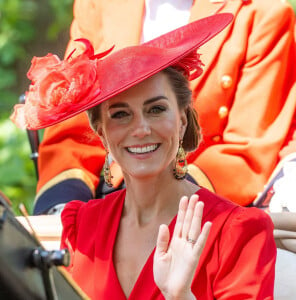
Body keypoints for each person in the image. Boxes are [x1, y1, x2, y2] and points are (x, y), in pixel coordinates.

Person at [11, 16, 276, 299]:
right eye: (121, 115)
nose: (141, 129)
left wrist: (181, 295)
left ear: (183, 120)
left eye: (156, 109)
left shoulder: (240, 232)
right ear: (102, 133)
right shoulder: (82, 226)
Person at [32, 0, 296, 215]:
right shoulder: (99, 5)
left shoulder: (261, 11)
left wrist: (174, 202)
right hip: (108, 193)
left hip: (203, 201)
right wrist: (63, 205)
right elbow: (76, 130)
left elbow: (246, 146)